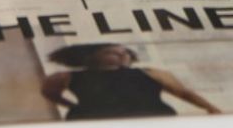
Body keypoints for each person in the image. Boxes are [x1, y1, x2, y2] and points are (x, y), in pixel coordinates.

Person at [40, 43, 223, 120]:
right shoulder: (67, 76)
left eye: (125, 52)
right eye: (113, 52)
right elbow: (49, 92)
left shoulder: (152, 72)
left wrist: (211, 108)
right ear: (92, 56)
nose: (122, 55)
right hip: (95, 121)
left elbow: (183, 93)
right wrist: (72, 106)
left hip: (153, 118)